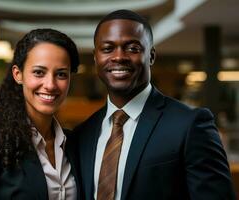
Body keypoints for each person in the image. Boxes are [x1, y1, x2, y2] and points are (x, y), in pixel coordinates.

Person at [74, 9, 236, 200]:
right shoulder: (81, 134)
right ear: (95, 58)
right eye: (108, 48)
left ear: (151, 56)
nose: (119, 57)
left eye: (132, 48)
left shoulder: (190, 125)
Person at [0, 28, 82, 200]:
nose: (50, 85)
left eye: (61, 74)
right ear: (18, 74)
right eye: (39, 72)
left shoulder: (74, 144)